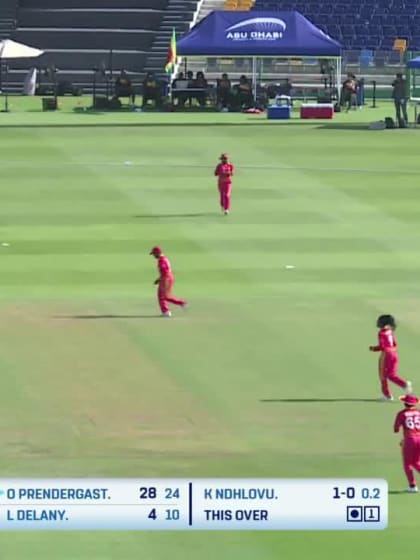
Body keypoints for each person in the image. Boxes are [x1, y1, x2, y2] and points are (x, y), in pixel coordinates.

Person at [369, 314, 413, 401]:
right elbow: (395, 344)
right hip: (394, 353)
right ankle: (404, 384)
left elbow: (382, 346)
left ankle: (387, 395)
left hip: (386, 355)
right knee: (392, 374)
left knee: (383, 375)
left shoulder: (381, 333)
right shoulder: (390, 331)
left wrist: (374, 348)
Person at [150, 246, 187, 317]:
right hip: (167, 277)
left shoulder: (162, 261)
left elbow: (165, 272)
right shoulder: (163, 259)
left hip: (166, 278)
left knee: (166, 296)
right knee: (161, 295)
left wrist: (161, 279)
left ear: (157, 253)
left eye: (154, 254)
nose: (153, 256)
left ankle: (182, 303)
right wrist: (159, 279)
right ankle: (166, 311)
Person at [394, 393, 420, 493]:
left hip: (410, 439)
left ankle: (412, 486)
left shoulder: (402, 414)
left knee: (407, 463)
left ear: (405, 403)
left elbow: (396, 429)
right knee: (416, 462)